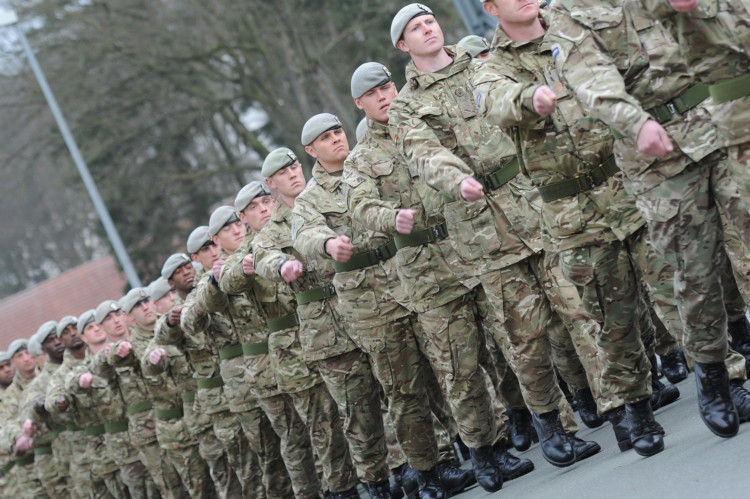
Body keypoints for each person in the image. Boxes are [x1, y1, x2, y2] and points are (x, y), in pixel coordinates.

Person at [388, 3, 599, 468]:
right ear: (403, 45)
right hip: (482, 231)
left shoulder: (483, 67)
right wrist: (455, 180)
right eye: (415, 29)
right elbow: (424, 154)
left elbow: (517, 106)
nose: (428, 30)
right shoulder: (405, 107)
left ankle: (621, 403)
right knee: (525, 339)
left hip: (529, 206)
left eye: (429, 21)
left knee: (578, 307)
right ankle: (552, 427)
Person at [547, 0, 745, 439]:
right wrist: (634, 123)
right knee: (695, 270)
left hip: (722, 120)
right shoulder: (568, 16)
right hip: (659, 155)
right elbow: (593, 80)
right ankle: (712, 372)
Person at [293, 111, 477, 497]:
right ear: (311, 150)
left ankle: (463, 452)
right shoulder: (309, 200)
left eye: (337, 132)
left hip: (411, 280)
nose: (336, 140)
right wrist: (328, 244)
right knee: (403, 390)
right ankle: (427, 472)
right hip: (369, 303)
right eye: (325, 138)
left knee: (444, 371)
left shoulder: (369, 163)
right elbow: (305, 236)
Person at [253, 147, 361, 498]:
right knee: (331, 421)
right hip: (321, 328)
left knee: (382, 396)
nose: (294, 174)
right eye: (284, 173)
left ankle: (402, 470)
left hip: (362, 305)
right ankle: (345, 488)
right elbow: (265, 258)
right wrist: (283, 267)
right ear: (271, 183)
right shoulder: (270, 232)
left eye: (296, 166)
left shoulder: (325, 197)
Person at [218, 180, 322, 499]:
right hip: (284, 357)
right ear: (242, 217)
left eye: (266, 202)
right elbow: (227, 280)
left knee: (333, 420)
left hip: (321, 335)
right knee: (298, 436)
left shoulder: (294, 224)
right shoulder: (244, 255)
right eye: (254, 207)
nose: (264, 209)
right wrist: (247, 270)